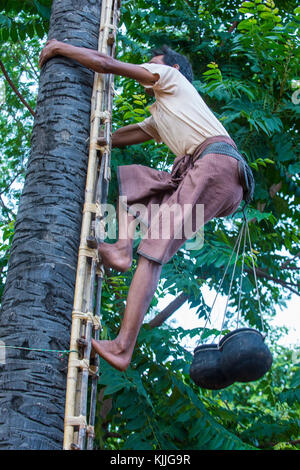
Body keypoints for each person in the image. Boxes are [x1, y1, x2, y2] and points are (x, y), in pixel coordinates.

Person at [39, 40, 254, 372]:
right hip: (213, 173)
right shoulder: (164, 113)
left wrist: (58, 48)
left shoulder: (170, 78)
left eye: (153, 61)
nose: (148, 66)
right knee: (140, 180)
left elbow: (103, 62)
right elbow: (119, 136)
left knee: (154, 251)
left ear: (173, 68)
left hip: (215, 165)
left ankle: (123, 347)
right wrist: (86, 134)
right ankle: (121, 250)